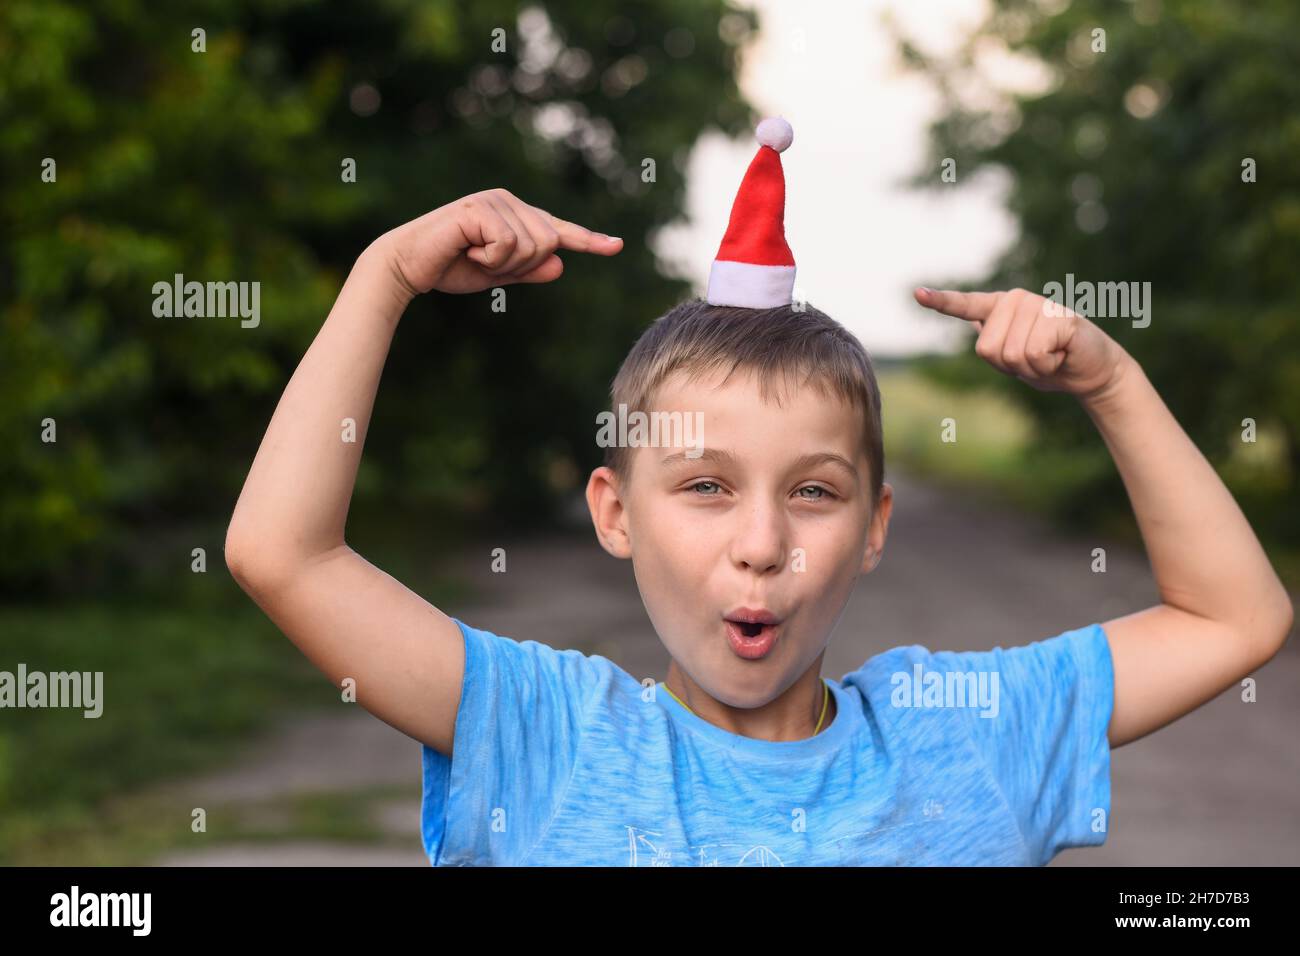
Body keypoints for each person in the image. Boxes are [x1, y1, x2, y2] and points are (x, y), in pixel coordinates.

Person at [225, 118, 1293, 866]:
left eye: (815, 491)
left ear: (874, 526)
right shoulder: (543, 734)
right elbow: (284, 553)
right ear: (614, 510)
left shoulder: (962, 731)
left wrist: (1111, 382)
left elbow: (1236, 617)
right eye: (703, 483)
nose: (761, 541)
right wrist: (386, 276)